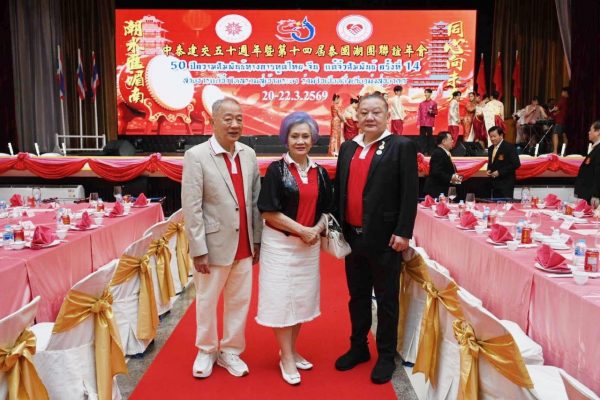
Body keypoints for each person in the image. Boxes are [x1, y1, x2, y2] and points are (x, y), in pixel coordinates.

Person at [334, 93, 418, 384]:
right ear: (356, 116)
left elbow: (409, 192)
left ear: (387, 116)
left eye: (376, 112)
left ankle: (385, 355)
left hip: (386, 239)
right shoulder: (348, 147)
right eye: (364, 112)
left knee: (386, 300)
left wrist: (404, 231)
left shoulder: (401, 146)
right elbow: (341, 190)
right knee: (357, 297)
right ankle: (358, 347)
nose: (369, 117)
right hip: (352, 237)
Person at [182, 97, 262, 379]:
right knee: (206, 301)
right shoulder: (196, 156)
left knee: (239, 301)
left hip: (244, 244)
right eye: (228, 119)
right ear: (212, 121)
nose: (234, 124)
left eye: (239, 118)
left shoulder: (248, 154)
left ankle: (230, 351)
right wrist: (198, 249)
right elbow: (192, 206)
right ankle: (206, 350)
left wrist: (257, 240)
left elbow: (254, 201)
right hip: (212, 245)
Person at [256, 112, 332, 386]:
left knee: (300, 299)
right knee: (281, 300)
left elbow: (328, 210)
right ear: (286, 139)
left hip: (308, 247)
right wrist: (302, 230)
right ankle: (286, 357)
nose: (301, 141)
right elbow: (267, 211)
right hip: (281, 246)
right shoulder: (276, 170)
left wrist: (316, 229)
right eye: (295, 136)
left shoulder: (320, 172)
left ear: (313, 139)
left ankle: (291, 349)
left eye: (305, 136)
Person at [423, 131, 462, 198]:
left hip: (443, 190)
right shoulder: (438, 153)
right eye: (451, 139)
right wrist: (451, 178)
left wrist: (456, 179)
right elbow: (436, 172)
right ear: (443, 141)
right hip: (437, 192)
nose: (452, 141)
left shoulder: (444, 153)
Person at [487, 126, 520, 199]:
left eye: (494, 136)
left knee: (506, 203)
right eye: (490, 137)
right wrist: (489, 169)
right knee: (495, 204)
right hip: (494, 184)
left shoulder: (509, 147)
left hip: (506, 183)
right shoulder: (490, 148)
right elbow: (491, 162)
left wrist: (499, 172)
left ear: (501, 135)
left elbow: (516, 164)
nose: (492, 139)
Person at [574, 121, 600, 202]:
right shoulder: (596, 148)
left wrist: (596, 195)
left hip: (593, 197)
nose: (588, 132)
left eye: (590, 130)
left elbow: (598, 173)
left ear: (598, 132)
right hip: (588, 195)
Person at [417, 88, 438, 155]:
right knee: (422, 138)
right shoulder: (421, 103)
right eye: (425, 92)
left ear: (430, 94)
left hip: (429, 123)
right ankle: (423, 152)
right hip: (422, 123)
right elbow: (419, 113)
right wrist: (418, 123)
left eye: (427, 92)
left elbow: (436, 112)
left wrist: (431, 111)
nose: (425, 94)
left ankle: (430, 152)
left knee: (430, 138)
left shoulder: (434, 103)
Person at [552, 87, 570, 154]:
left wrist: (552, 110)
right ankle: (564, 152)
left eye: (562, 92)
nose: (561, 93)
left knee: (555, 134)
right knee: (564, 135)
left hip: (559, 121)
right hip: (565, 120)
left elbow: (556, 108)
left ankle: (555, 151)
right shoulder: (568, 100)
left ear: (565, 92)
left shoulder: (562, 99)